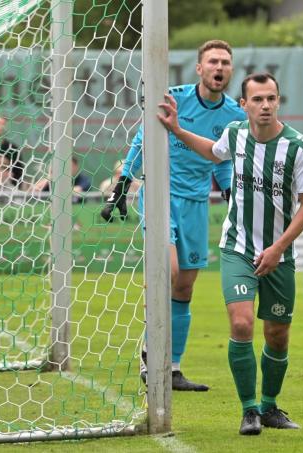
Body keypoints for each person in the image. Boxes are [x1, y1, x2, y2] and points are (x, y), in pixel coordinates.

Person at [158, 73, 303, 435]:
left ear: (278, 101)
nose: (265, 106)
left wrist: (278, 249)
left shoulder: (297, 146)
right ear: (244, 104)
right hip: (237, 248)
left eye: (271, 99)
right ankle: (249, 410)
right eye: (258, 99)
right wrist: (178, 130)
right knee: (242, 324)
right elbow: (212, 152)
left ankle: (270, 406)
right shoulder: (235, 134)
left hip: (279, 255)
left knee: (277, 334)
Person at [101, 40, 246, 391]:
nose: (219, 67)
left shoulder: (234, 116)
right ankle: (151, 357)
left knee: (184, 286)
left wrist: (229, 194)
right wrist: (123, 183)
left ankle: (173, 368)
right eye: (213, 61)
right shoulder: (174, 98)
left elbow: (222, 160)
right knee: (170, 272)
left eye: (226, 62)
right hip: (160, 195)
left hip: (197, 202)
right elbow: (143, 138)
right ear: (199, 68)